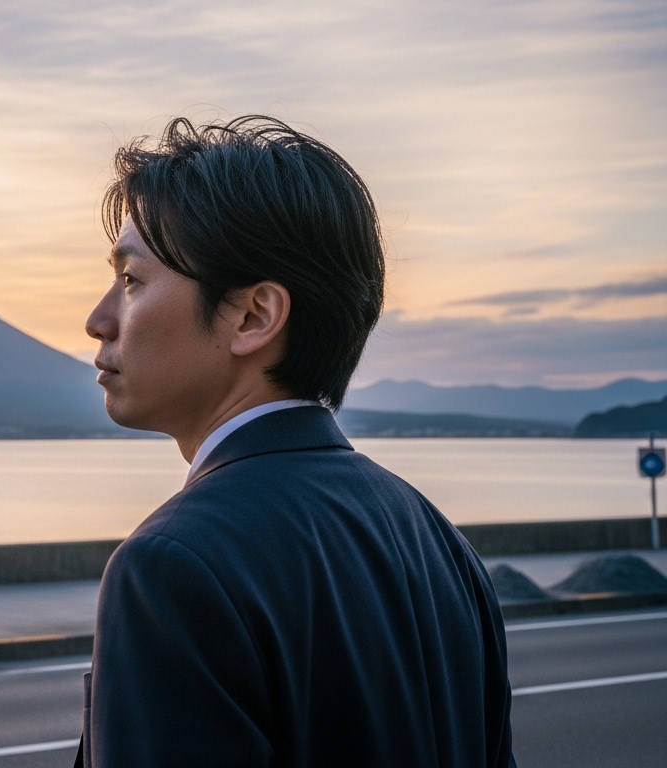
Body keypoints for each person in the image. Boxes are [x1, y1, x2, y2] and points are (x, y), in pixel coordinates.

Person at [78, 116, 514, 767]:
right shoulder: (440, 543)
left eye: (132, 280)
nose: (98, 321)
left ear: (254, 316)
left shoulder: (172, 566)